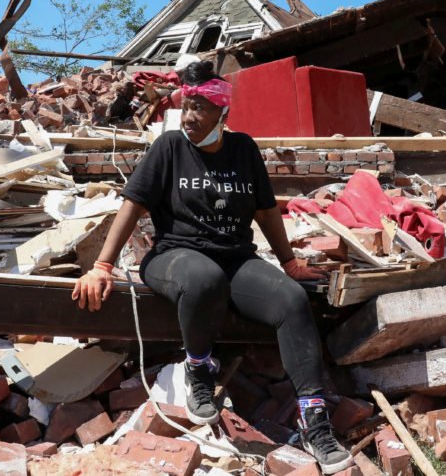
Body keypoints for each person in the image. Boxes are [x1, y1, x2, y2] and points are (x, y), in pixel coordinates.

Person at [71, 60, 354, 475]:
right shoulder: (169, 147)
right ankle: (199, 369)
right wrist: (102, 265)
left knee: (291, 300)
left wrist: (289, 263)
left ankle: (314, 421)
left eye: (201, 107)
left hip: (235, 258)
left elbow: (265, 211)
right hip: (174, 256)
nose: (189, 116)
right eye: (187, 105)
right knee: (205, 278)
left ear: (223, 112)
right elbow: (133, 204)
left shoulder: (244, 150)